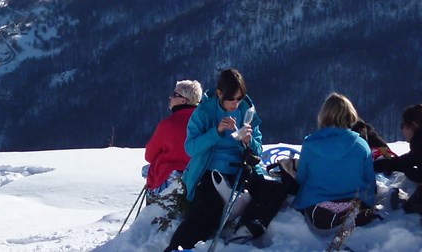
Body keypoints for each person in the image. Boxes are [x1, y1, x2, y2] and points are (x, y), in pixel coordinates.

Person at [164, 69, 287, 252]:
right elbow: (191, 148)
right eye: (232, 99)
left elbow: (258, 149)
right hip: (211, 171)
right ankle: (177, 248)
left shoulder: (247, 109)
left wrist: (249, 141)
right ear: (220, 94)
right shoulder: (204, 111)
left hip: (241, 170)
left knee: (275, 190)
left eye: (240, 98)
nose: (236, 103)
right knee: (205, 215)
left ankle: (247, 228)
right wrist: (217, 132)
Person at [293, 93, 377, 230]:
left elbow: (301, 179)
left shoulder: (310, 144)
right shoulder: (361, 145)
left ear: (323, 116)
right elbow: (370, 182)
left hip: (318, 211)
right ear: (350, 115)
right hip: (355, 211)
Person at [144, 79, 202, 200]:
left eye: (175, 95)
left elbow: (149, 156)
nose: (170, 97)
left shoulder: (168, 125)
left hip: (167, 179)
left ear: (183, 100)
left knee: (146, 171)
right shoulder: (204, 123)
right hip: (198, 179)